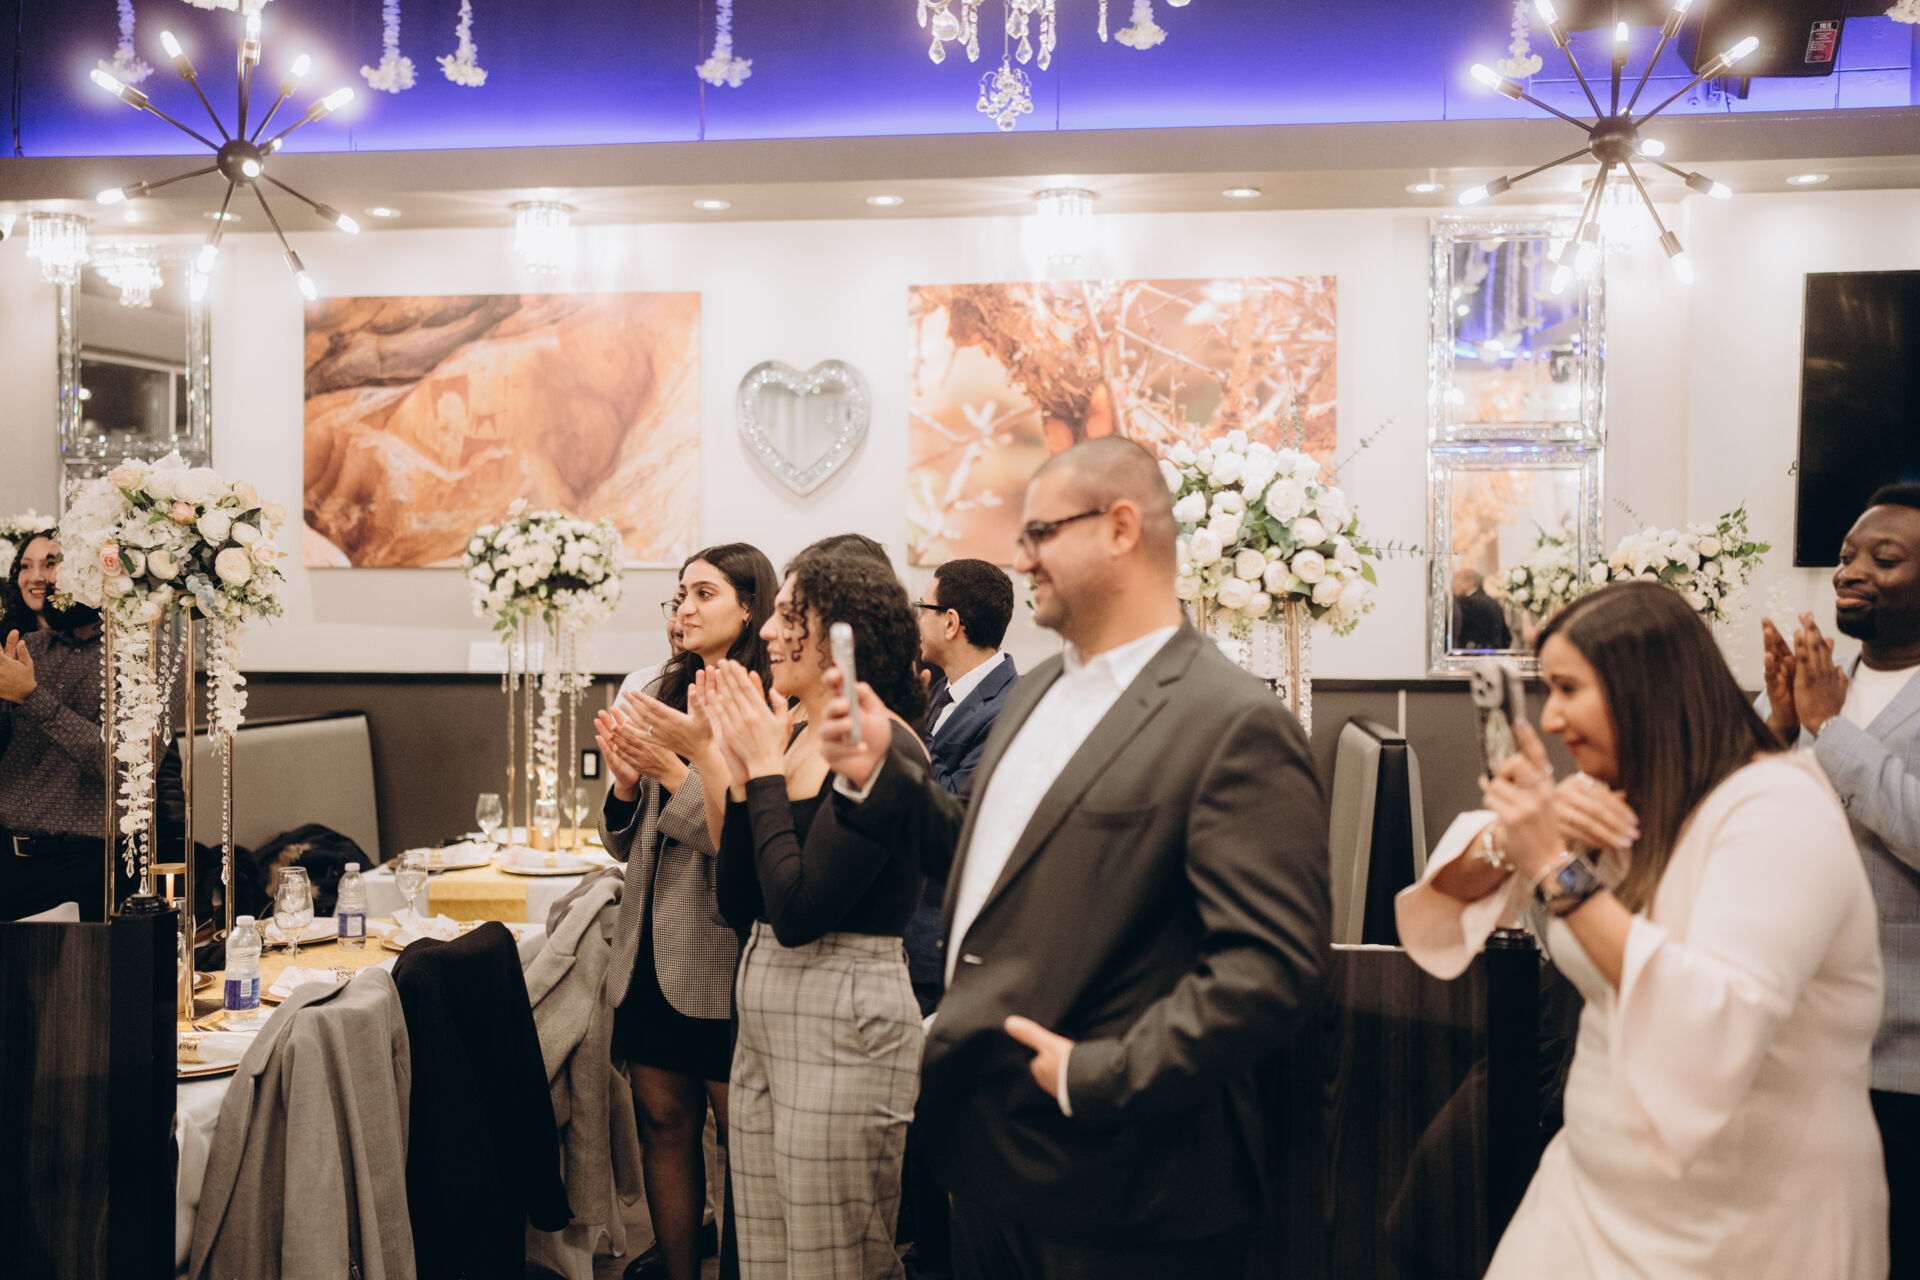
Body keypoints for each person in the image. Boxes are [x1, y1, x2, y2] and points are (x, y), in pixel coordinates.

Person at [818, 437, 1331, 1278]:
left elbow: (1269, 968)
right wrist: (883, 777)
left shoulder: (1232, 721)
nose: (1021, 560)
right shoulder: (1038, 693)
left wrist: (1095, 1076)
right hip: (993, 1155)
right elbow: (989, 860)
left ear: (1121, 529)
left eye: (1041, 534)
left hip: (1124, 1178)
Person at [1397, 581, 1887, 1278]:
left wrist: (1554, 867)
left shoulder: (1778, 811)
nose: (1552, 718)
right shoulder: (1622, 793)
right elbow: (1446, 899)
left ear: (1646, 687)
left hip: (1741, 1216)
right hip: (1587, 1191)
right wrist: (1515, 837)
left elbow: (1711, 1016)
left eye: (1569, 689)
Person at [707, 548, 929, 1280]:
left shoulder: (880, 743)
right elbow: (740, 904)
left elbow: (801, 911)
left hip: (844, 1013)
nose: (768, 631)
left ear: (839, 634)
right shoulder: (798, 735)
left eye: (787, 616)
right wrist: (742, 775)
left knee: (833, 1260)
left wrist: (764, 772)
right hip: (767, 1002)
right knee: (766, 1258)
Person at [593, 543, 778, 1280]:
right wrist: (624, 786)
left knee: (742, 1142)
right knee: (661, 1124)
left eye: (704, 594)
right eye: (679, 595)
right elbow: (622, 843)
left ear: (750, 608)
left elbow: (743, 844)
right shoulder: (657, 688)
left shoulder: (766, 703)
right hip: (646, 946)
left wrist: (675, 770)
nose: (684, 609)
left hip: (721, 951)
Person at [1760, 482, 1920, 1273]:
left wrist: (1828, 727)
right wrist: (1779, 729)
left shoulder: (1834, 705)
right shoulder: (1827, 682)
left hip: (1902, 1060)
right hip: (1803, 1048)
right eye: (1848, 554)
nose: (1850, 571)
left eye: (1883, 559)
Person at [902, 558, 1017, 1280]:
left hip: (948, 933)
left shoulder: (1010, 706)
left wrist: (896, 751)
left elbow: (963, 817)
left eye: (923, 606)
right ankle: (922, 1249)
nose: (914, 618)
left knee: (945, 1122)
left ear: (951, 621)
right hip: (911, 927)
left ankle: (942, 1261)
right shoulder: (935, 690)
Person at [0, 595, 109, 921]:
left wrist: (31, 696)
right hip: (8, 855)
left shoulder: (141, 654)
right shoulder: (30, 645)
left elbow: (118, 764)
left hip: (82, 862)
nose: (46, 580)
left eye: (53, 569)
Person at [0, 533, 59, 641]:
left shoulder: (86, 637)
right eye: (25, 566)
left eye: (50, 564)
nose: (35, 578)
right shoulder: (5, 636)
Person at [1451, 565, 1513, 651]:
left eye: (1457, 580)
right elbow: (1507, 637)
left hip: (1472, 654)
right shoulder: (1493, 602)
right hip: (1495, 653)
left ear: (1470, 582)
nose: (1453, 585)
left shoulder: (1463, 602)